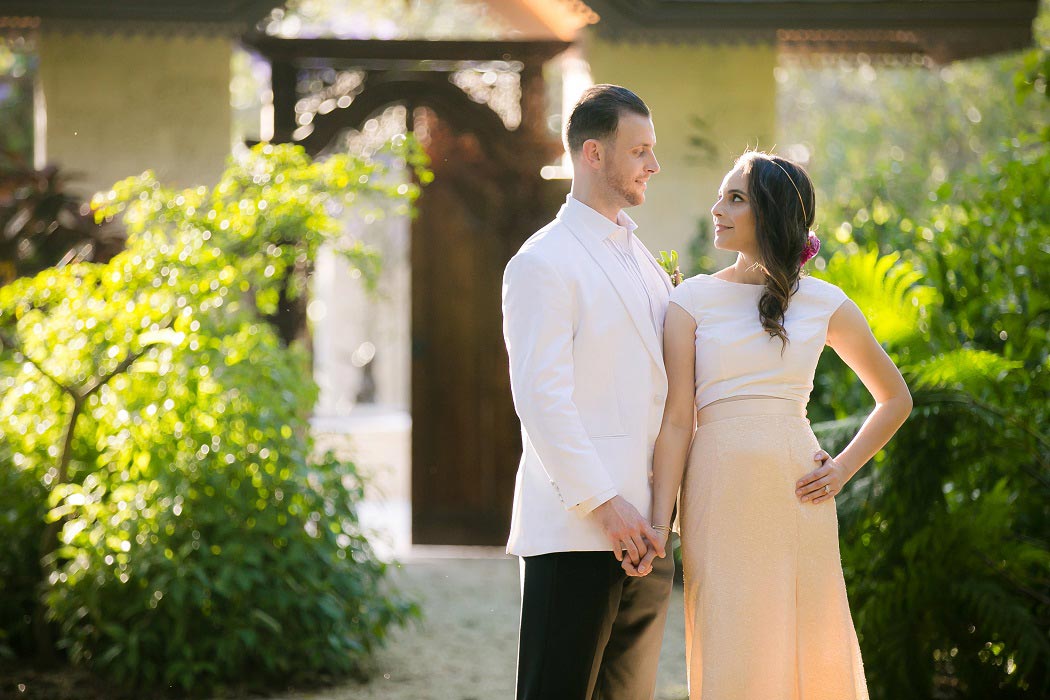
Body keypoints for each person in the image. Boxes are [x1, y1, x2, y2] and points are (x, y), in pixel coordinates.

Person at [631, 151, 913, 699]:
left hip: (797, 495)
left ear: (773, 212)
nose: (718, 209)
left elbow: (895, 398)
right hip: (716, 493)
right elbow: (675, 423)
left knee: (807, 641)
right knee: (729, 642)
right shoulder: (690, 300)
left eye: (735, 198)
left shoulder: (825, 302)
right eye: (721, 195)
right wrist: (659, 524)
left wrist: (843, 469)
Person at [501, 84, 675, 700]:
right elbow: (541, 398)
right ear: (594, 154)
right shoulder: (542, 263)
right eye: (640, 151)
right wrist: (606, 504)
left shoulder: (646, 260)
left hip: (649, 538)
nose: (653, 165)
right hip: (578, 531)